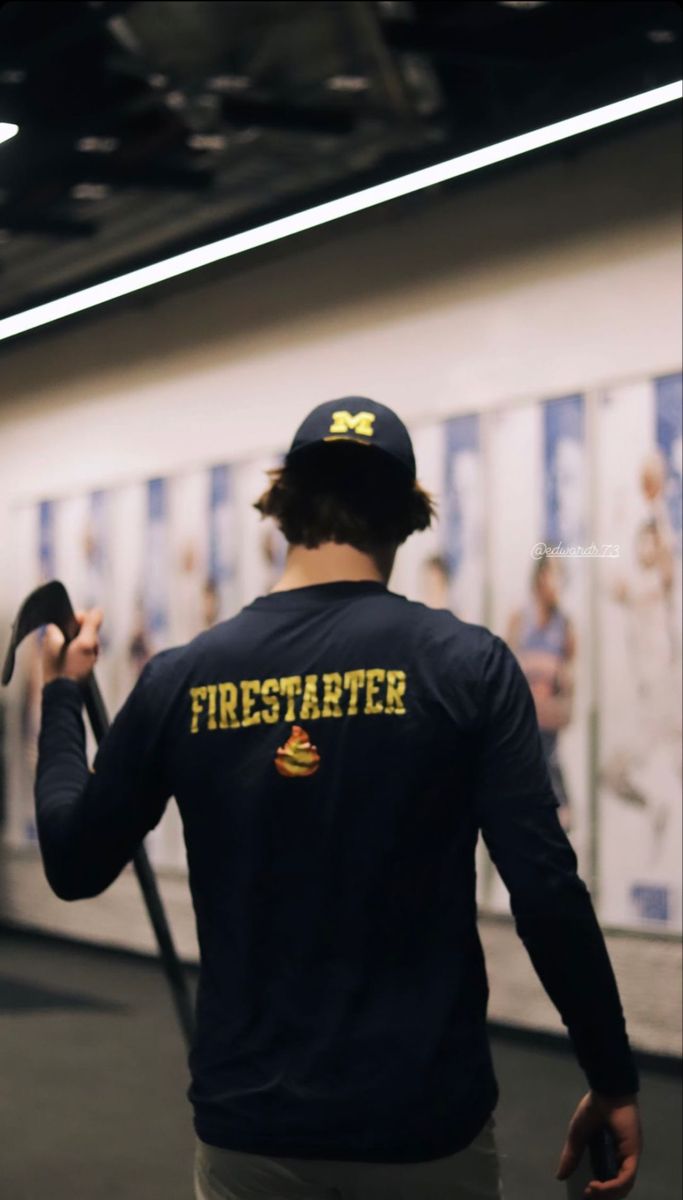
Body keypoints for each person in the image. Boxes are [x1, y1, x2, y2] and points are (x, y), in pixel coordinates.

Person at [34, 397, 641, 1200]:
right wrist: (611, 1076)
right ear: (406, 519)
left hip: (251, 1127)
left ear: (282, 509)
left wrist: (64, 697)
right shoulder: (467, 666)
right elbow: (544, 888)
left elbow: (74, 861)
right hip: (422, 1125)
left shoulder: (181, 679)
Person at [507, 553, 576, 832]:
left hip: (548, 735)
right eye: (552, 574)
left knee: (560, 811)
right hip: (522, 735)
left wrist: (553, 708)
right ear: (539, 577)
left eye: (561, 575)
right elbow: (506, 680)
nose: (556, 583)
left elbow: (569, 698)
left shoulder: (565, 628)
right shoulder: (519, 621)